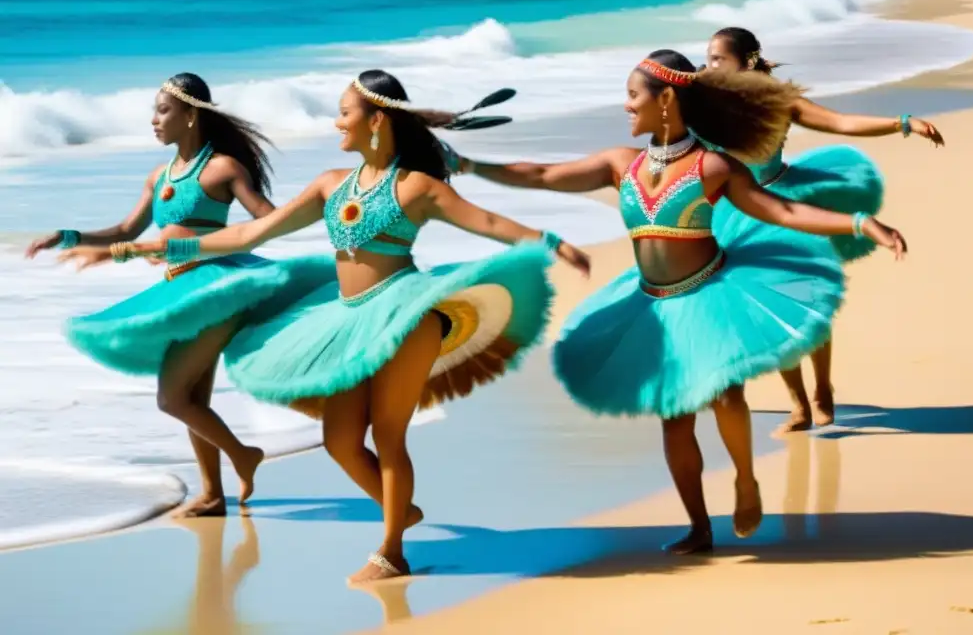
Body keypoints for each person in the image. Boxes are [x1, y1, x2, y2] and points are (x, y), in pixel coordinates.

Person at [61, 69, 591, 583]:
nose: (337, 123)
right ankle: (398, 511)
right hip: (349, 318)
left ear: (376, 122)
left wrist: (551, 242)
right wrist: (139, 248)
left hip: (405, 313)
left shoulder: (418, 187)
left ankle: (391, 553)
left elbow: (491, 223)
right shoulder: (330, 186)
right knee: (339, 441)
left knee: (388, 435)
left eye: (344, 114)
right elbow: (251, 235)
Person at [450, 50, 907, 554]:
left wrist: (862, 223)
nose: (625, 106)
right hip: (651, 304)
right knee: (675, 415)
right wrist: (469, 164)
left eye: (632, 96)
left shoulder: (712, 165)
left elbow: (781, 210)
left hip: (709, 293)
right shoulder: (620, 164)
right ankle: (699, 526)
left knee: (726, 395)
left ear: (665, 98)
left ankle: (746, 481)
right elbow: (538, 175)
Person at [30, 73, 336, 517]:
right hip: (179, 289)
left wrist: (206, 245)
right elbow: (123, 231)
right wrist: (68, 236)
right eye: (154, 111)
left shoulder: (224, 169)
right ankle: (212, 495)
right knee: (193, 400)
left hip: (218, 288)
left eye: (163, 110)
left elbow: (266, 223)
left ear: (191, 116)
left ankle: (244, 454)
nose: (154, 120)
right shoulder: (159, 176)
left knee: (173, 399)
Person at [706, 26, 942, 432]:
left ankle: (822, 388)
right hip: (740, 212)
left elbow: (839, 122)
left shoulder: (779, 101)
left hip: (788, 204)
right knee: (772, 310)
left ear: (745, 62)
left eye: (717, 59)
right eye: (707, 58)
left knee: (808, 304)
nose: (708, 66)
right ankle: (798, 404)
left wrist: (902, 123)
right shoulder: (703, 103)